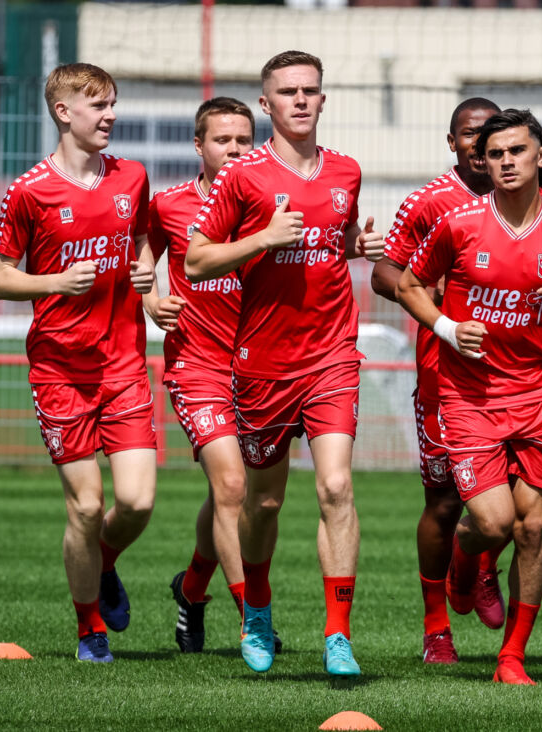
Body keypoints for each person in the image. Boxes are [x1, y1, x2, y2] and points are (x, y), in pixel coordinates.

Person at [396, 109, 542, 684]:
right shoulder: (459, 225)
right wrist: (447, 328)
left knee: (535, 527)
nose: (505, 162)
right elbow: (407, 285)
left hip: (538, 398)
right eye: (495, 154)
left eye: (516, 151)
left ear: (540, 155)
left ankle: (512, 658)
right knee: (494, 523)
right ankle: (464, 563)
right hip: (469, 396)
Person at [185, 50, 384, 676]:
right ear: (266, 103)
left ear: (323, 100)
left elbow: (331, 241)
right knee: (263, 504)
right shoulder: (242, 177)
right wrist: (263, 240)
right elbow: (195, 260)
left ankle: (338, 634)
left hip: (331, 357)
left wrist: (355, 246)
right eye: (288, 91)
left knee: (335, 486)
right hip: (263, 364)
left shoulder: (347, 171)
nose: (301, 100)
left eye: (311, 90)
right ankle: (258, 611)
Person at [0, 63, 158, 663]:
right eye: (97, 106)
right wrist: (57, 280)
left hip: (124, 362)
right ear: (63, 113)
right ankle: (90, 629)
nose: (110, 114)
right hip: (60, 369)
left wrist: (146, 277)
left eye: (113, 103)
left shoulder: (131, 176)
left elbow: (141, 240)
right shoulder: (29, 189)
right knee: (86, 506)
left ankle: (103, 563)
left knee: (136, 502)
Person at [371, 98, 507, 665]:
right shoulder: (430, 203)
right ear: (452, 143)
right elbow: (384, 273)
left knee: (515, 508)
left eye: (490, 135)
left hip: (512, 379)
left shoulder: (526, 201)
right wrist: (442, 314)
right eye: (470, 135)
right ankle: (435, 630)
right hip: (443, 375)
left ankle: (474, 564)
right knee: (446, 503)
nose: (480, 145)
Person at [143, 97, 280, 655]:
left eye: (245, 140)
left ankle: (193, 588)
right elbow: (137, 262)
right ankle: (254, 616)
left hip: (261, 367)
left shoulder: (270, 204)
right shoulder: (169, 204)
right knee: (229, 486)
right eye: (223, 140)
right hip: (197, 365)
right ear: (199, 146)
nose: (235, 150)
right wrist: (151, 300)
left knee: (243, 498)